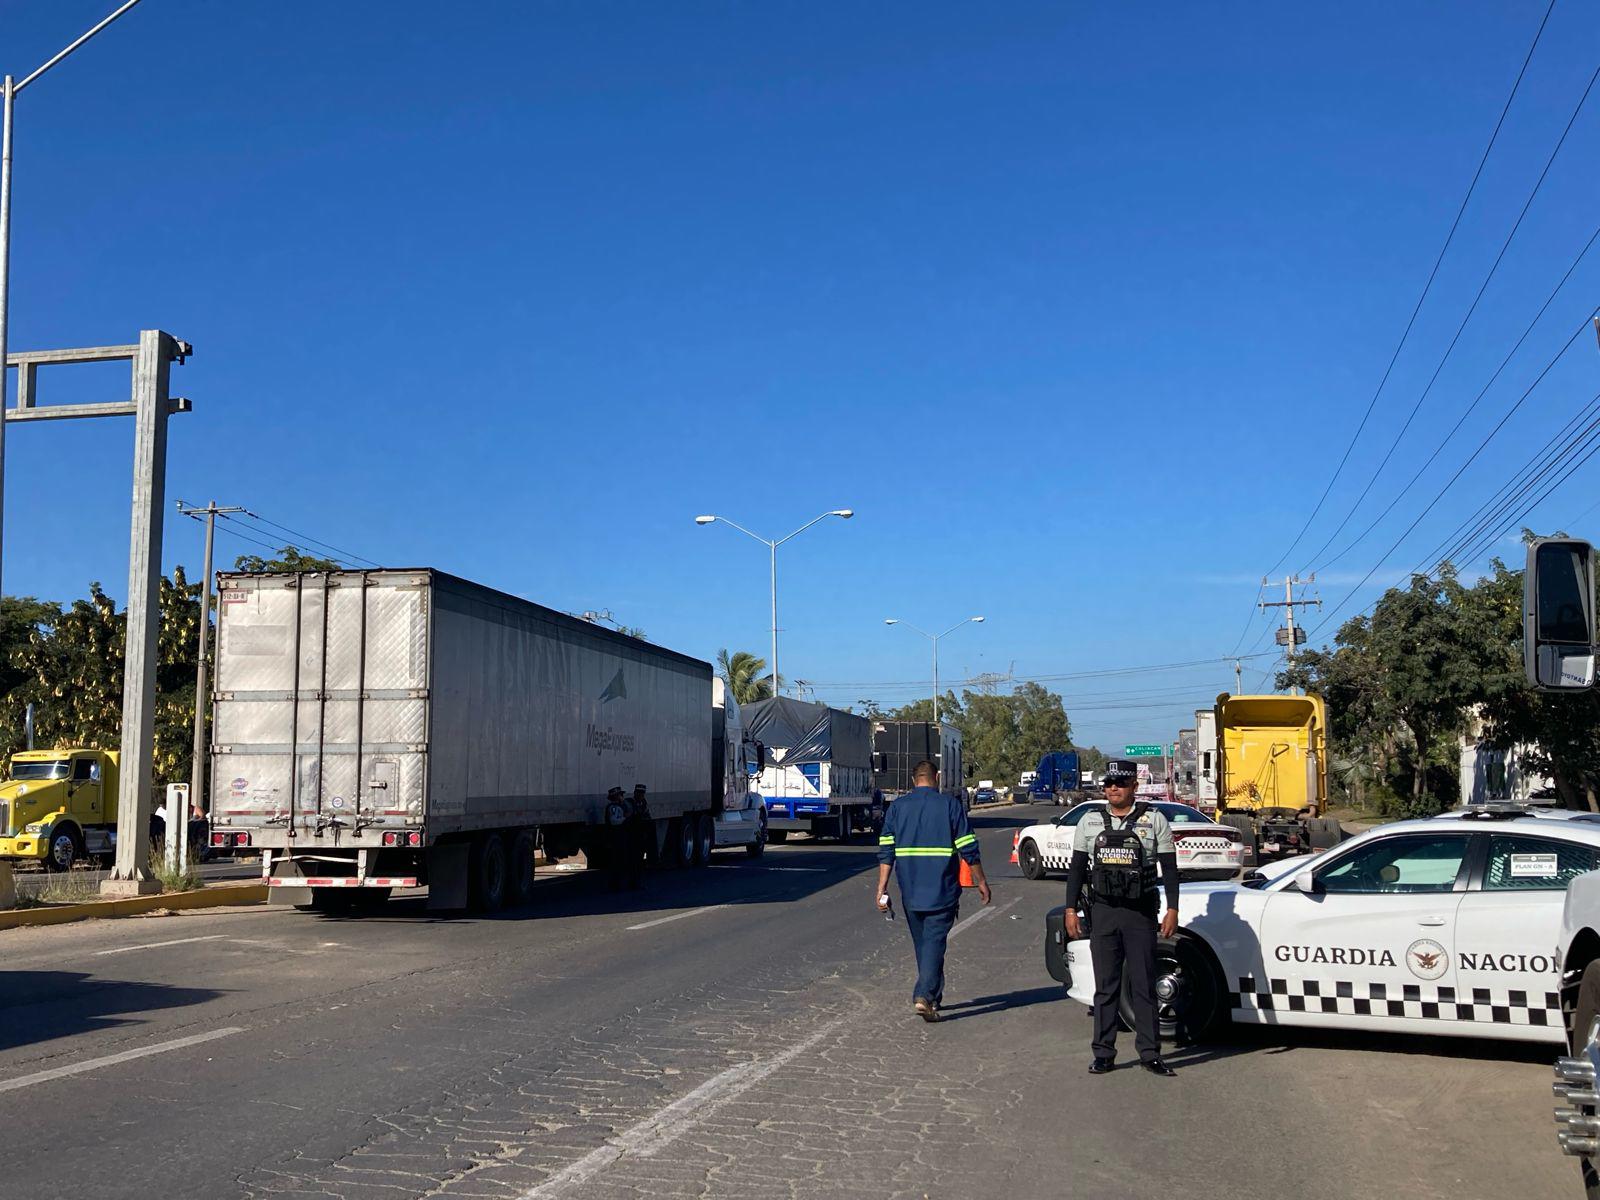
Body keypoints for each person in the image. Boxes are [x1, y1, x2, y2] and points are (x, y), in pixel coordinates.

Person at [1063, 759, 1180, 1076]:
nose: (1113, 788)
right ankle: (1103, 1053)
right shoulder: (1089, 821)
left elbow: (1169, 868)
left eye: (1120, 783)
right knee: (1106, 987)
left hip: (1140, 913)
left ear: (1134, 787)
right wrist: (1070, 909)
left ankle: (1150, 1053)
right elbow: (1076, 870)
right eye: (1108, 783)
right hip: (1103, 912)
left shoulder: (1154, 820)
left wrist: (1172, 908)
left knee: (1143, 984)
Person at [874, 759, 991, 1022]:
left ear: (914, 780)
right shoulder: (949, 805)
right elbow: (968, 847)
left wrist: (881, 887)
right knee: (934, 945)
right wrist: (981, 881)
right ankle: (924, 995)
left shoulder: (898, 808)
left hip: (911, 893)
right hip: (942, 891)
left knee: (925, 947)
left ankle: (933, 997)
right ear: (936, 777)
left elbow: (886, 850)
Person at [604, 786, 632, 892]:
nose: (622, 797)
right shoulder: (613, 808)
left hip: (620, 837)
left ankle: (619, 882)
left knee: (621, 861)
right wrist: (625, 818)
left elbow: (629, 809)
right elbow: (614, 821)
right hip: (615, 837)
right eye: (620, 795)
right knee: (616, 861)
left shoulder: (621, 806)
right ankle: (615, 884)